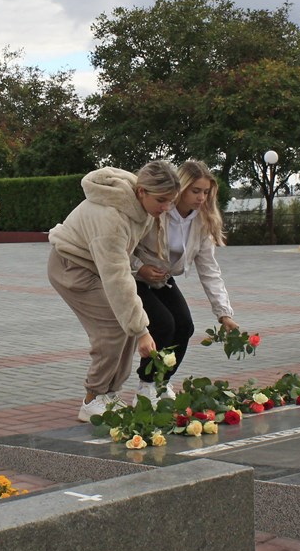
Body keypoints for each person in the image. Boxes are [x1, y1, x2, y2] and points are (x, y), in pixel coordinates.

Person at [47, 160, 180, 422]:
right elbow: (116, 276)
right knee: (113, 326)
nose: (165, 208)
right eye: (162, 200)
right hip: (71, 267)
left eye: (170, 201)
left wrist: (137, 326)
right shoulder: (112, 217)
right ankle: (92, 397)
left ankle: (108, 393)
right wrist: (141, 330)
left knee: (126, 323)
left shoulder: (137, 206)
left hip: (93, 266)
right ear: (142, 191)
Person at [131, 160, 237, 404]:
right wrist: (140, 268)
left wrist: (224, 314)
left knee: (184, 327)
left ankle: (162, 381)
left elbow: (210, 270)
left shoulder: (203, 221)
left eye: (206, 192)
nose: (201, 197)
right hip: (135, 277)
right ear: (182, 187)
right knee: (163, 324)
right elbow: (123, 247)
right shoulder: (158, 210)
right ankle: (145, 387)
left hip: (163, 280)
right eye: (196, 190)